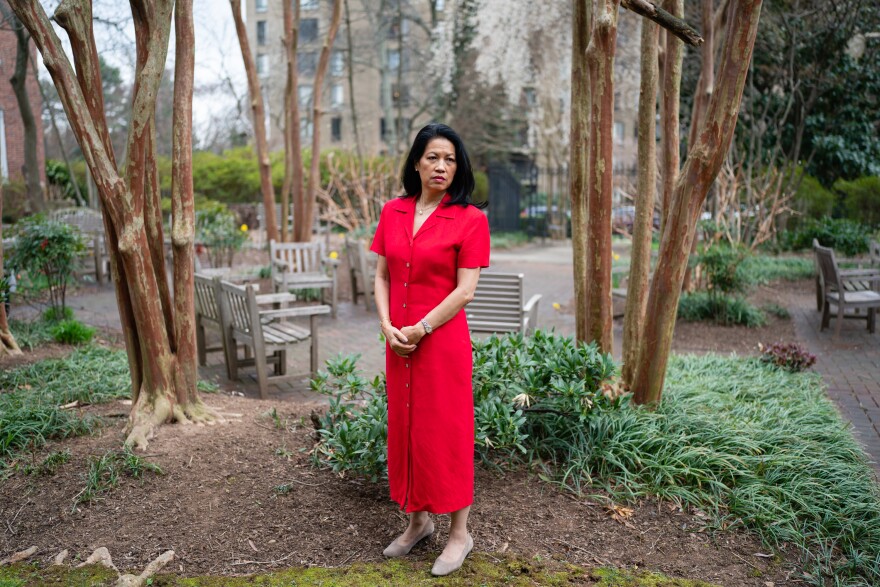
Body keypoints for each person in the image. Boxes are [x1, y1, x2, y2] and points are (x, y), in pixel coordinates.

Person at [370, 123, 489, 576]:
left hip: (440, 343)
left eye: (451, 159)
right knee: (405, 426)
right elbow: (382, 276)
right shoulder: (393, 212)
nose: (442, 166)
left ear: (458, 168)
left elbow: (466, 291)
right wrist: (387, 326)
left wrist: (419, 328)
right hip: (398, 342)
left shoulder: (470, 219)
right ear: (417, 162)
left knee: (447, 429)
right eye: (433, 157)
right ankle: (417, 521)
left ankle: (460, 533)